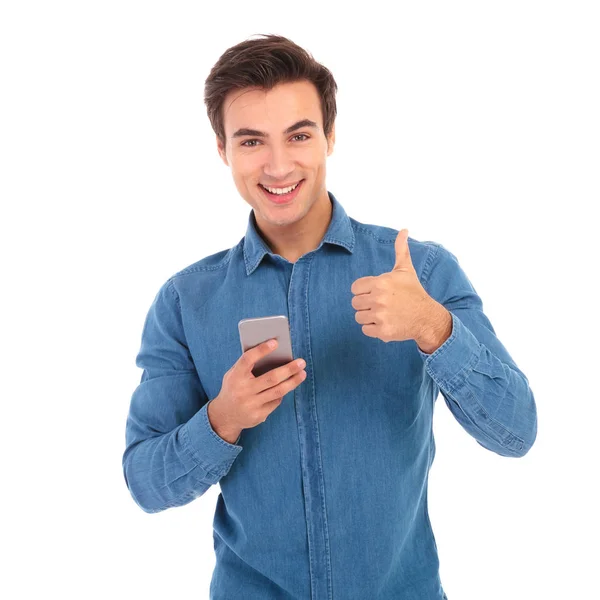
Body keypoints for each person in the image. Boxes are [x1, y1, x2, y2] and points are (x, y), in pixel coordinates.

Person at [122, 34, 537, 600]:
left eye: (299, 135)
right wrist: (221, 418)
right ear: (222, 149)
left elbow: (517, 432)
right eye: (251, 141)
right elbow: (146, 484)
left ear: (330, 137)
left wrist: (434, 330)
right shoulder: (184, 302)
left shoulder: (422, 272)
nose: (277, 164)